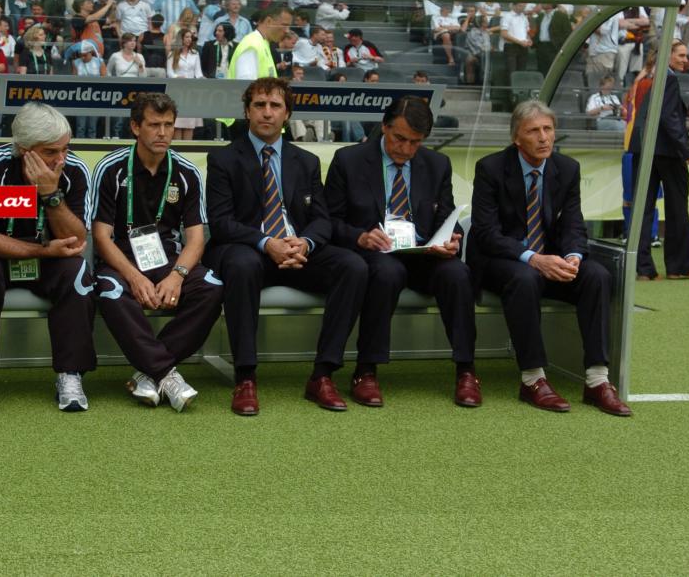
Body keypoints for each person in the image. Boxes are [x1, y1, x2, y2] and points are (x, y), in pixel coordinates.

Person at [204, 77, 367, 415]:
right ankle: (245, 377)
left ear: (287, 114)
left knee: (353, 267)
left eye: (275, 106)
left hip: (297, 251)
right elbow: (221, 223)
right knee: (241, 264)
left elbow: (322, 220)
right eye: (260, 105)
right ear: (247, 111)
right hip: (248, 249)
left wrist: (305, 243)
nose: (267, 113)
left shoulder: (305, 161)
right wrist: (267, 243)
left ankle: (322, 375)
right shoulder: (223, 159)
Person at [467, 101, 630, 416]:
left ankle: (597, 380)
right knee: (525, 277)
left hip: (550, 259)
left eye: (548, 129)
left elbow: (573, 223)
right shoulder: (490, 168)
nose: (544, 138)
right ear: (517, 138)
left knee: (596, 275)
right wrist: (533, 258)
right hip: (500, 260)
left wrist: (572, 256)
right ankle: (532, 378)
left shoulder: (567, 168)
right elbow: (486, 233)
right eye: (533, 131)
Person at [325, 96, 478, 407]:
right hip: (375, 254)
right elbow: (329, 221)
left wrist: (450, 239)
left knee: (458, 273)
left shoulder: (437, 165)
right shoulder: (349, 160)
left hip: (424, 254)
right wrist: (360, 237)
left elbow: (447, 217)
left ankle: (466, 370)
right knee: (387, 271)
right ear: (384, 127)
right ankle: (366, 370)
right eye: (400, 139)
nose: (406, 150)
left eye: (416, 143)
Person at [0, 103, 97, 414]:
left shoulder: (75, 169)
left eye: (65, 148)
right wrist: (43, 250)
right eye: (50, 152)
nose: (61, 159)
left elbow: (76, 240)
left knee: (78, 273)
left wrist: (50, 194)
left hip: (49, 255)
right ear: (22, 148)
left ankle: (70, 374)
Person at [91, 94, 224, 411]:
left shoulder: (187, 172)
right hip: (121, 263)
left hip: (169, 262)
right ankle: (167, 372)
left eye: (168, 125)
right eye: (154, 125)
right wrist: (134, 277)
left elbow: (195, 239)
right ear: (136, 127)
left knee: (213, 287)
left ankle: (149, 372)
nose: (163, 133)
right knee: (109, 293)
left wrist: (177, 277)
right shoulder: (110, 169)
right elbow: (101, 236)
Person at [629, 41, 689, 280]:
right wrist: (685, 150)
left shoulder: (644, 79)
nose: (684, 59)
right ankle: (678, 268)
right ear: (666, 56)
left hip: (642, 149)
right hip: (667, 152)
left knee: (643, 209)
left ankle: (643, 270)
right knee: (677, 207)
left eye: (685, 55)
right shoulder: (668, 80)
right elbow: (669, 118)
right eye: (680, 55)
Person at [165, 28, 203, 139]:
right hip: (177, 92)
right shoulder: (172, 54)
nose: (189, 39)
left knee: (189, 126)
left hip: (191, 92)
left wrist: (202, 79)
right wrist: (178, 77)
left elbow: (198, 73)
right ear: (180, 39)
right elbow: (170, 73)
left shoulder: (195, 54)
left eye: (190, 37)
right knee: (177, 125)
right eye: (186, 37)